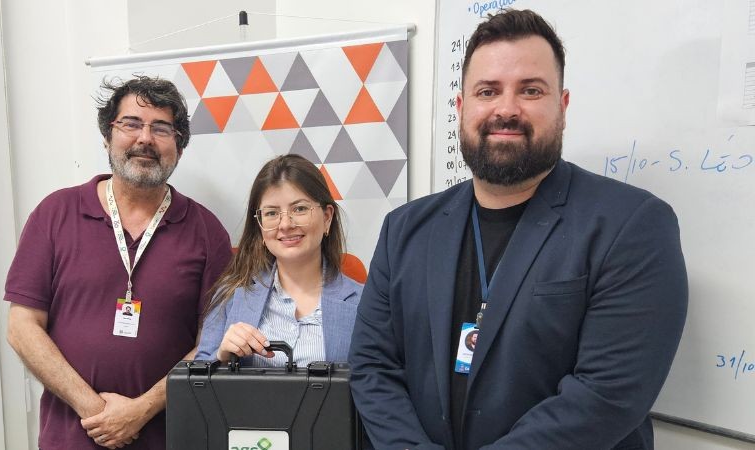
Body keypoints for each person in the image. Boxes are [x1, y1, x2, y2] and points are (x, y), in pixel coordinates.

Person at [348, 9, 688, 450]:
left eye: (530, 90)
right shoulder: (406, 230)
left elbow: (605, 395)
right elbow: (373, 365)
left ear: (562, 107)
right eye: (488, 91)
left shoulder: (633, 226)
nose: (506, 109)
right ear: (462, 107)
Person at [5, 75, 232, 449]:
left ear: (179, 146)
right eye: (131, 124)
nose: (145, 138)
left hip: (170, 437)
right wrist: (93, 408)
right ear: (107, 136)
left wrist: (140, 410)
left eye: (161, 128)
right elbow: (22, 327)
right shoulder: (55, 214)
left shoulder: (206, 231)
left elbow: (213, 341)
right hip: (71, 437)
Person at [195, 154, 362, 367]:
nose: (285, 224)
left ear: (327, 217)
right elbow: (198, 383)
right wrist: (222, 357)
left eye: (299, 209)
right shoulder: (231, 296)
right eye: (272, 213)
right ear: (260, 225)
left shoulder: (364, 304)